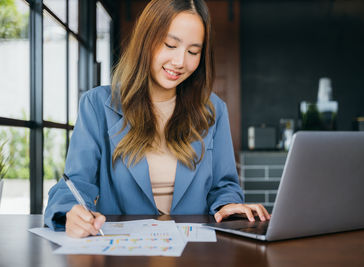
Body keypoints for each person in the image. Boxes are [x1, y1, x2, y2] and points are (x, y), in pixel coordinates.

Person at [44, 0, 270, 238]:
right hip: (122, 251)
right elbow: (75, 184)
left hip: (195, 252)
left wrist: (228, 206)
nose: (180, 62)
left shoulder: (213, 110)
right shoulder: (98, 106)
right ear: (146, 40)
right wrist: (71, 211)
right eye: (170, 45)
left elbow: (224, 186)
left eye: (193, 51)